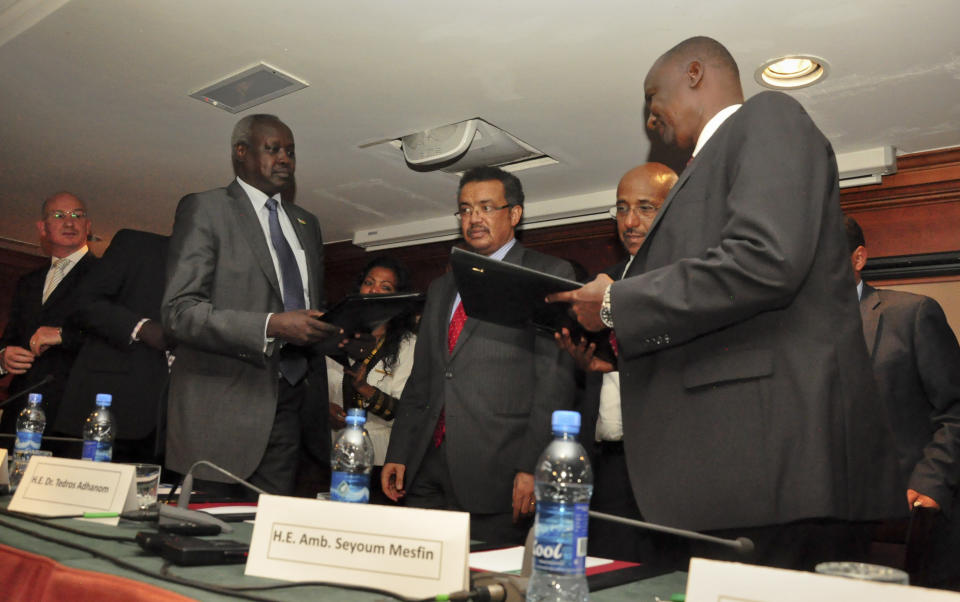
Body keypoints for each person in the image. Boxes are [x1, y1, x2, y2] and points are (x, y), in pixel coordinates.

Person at [548, 36, 902, 569]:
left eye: (652, 97)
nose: (650, 119)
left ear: (694, 74)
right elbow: (725, 316)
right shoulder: (705, 170)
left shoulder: (767, 117)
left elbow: (765, 259)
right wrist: (622, 353)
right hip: (733, 478)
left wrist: (618, 302)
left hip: (776, 472)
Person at [382, 166, 576, 545]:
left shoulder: (547, 273)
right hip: (425, 469)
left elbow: (555, 380)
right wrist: (399, 451)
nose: (474, 218)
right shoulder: (441, 287)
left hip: (498, 472)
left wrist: (532, 465)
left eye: (486, 207)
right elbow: (422, 380)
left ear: (514, 214)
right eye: (466, 209)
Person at [162, 114, 337, 496]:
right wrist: (271, 325)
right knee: (207, 541)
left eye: (290, 151)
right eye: (272, 148)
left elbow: (307, 308)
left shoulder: (307, 223)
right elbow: (179, 312)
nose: (285, 159)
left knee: (266, 539)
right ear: (241, 152)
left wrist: (341, 331)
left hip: (291, 403)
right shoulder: (206, 209)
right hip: (220, 409)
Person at [555, 163, 676, 562]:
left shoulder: (685, 281)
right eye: (622, 209)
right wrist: (588, 364)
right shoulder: (601, 281)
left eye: (645, 207)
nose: (630, 221)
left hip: (665, 466)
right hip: (604, 462)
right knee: (603, 570)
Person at [845, 215, 960, 588]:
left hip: (909, 518)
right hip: (830, 524)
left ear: (858, 258)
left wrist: (930, 484)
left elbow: (955, 410)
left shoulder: (911, 314)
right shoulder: (793, 332)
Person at [56, 229, 171, 464]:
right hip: (110, 416)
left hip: (175, 432)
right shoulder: (137, 245)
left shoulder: (228, 272)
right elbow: (84, 301)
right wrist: (141, 327)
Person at [0, 192, 97, 435]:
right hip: (20, 407)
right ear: (43, 227)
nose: (69, 221)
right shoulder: (28, 282)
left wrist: (65, 335)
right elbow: (11, 338)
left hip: (74, 412)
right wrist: (4, 358)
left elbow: (118, 339)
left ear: (88, 226)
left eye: (77, 215)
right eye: (59, 215)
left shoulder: (105, 275)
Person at [327, 256, 419, 504]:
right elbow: (312, 389)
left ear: (398, 297)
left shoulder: (407, 345)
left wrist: (363, 388)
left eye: (385, 287)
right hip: (334, 454)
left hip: (381, 459)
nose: (374, 290)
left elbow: (405, 411)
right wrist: (324, 409)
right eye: (369, 282)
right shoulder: (335, 336)